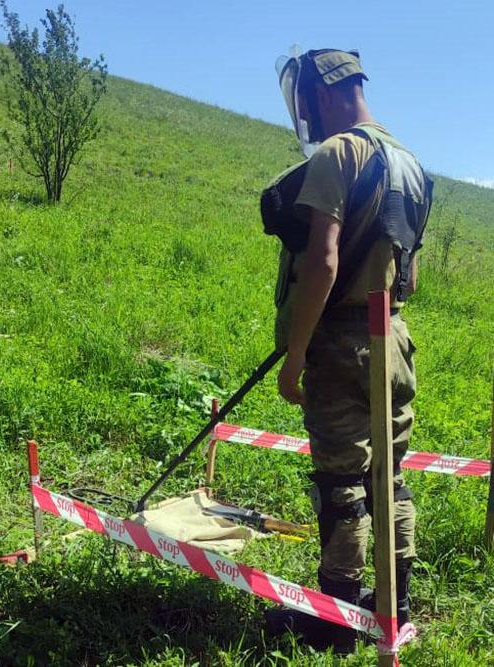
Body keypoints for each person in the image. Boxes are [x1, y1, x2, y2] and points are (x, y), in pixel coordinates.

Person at [263, 48, 433, 654]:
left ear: (322, 94)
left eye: (306, 104)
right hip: (394, 340)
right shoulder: (412, 164)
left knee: (341, 485)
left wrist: (295, 354)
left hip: (339, 343)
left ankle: (334, 621)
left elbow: (323, 260)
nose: (306, 117)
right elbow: (409, 276)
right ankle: (395, 604)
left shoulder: (339, 153)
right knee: (390, 477)